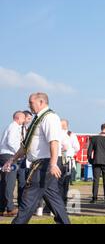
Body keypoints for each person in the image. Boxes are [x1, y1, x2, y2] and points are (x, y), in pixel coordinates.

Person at [2, 92, 70, 224]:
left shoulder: (49, 117)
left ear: (41, 102)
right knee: (54, 201)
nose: (29, 105)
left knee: (28, 200)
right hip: (42, 163)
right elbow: (26, 145)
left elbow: (54, 141)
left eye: (31, 103)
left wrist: (53, 164)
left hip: (44, 164)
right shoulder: (38, 118)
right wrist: (12, 159)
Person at [0, 111, 25, 217]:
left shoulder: (11, 127)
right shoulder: (14, 127)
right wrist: (19, 153)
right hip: (9, 156)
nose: (24, 121)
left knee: (5, 182)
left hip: (6, 156)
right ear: (18, 117)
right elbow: (11, 142)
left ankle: (3, 206)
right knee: (9, 182)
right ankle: (9, 207)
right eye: (23, 118)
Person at [88, 123, 105, 204]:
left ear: (101, 128)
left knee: (95, 181)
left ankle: (94, 198)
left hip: (96, 162)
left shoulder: (94, 138)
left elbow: (89, 151)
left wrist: (91, 160)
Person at [59, 119, 80, 206]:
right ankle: (61, 202)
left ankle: (61, 202)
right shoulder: (69, 134)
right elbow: (77, 148)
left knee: (61, 182)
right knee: (63, 183)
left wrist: (70, 153)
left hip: (64, 160)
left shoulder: (70, 134)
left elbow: (76, 147)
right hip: (64, 160)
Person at [17, 110, 33, 207]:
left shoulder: (26, 129)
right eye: (28, 119)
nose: (29, 121)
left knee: (23, 182)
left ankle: (21, 202)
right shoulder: (17, 128)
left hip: (24, 159)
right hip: (17, 157)